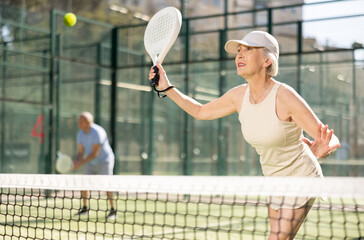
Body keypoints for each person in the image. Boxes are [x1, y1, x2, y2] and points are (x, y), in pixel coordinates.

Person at [148, 31, 341, 240]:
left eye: (248, 49)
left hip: (301, 177)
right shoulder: (238, 96)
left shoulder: (285, 96)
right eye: (238, 50)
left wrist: (323, 149)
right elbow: (200, 111)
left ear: (267, 60)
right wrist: (166, 87)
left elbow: (329, 138)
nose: (239, 55)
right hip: (273, 180)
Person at [73, 112, 117, 220]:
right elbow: (80, 152)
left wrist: (81, 163)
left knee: (107, 184)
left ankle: (113, 211)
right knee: (84, 183)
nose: (78, 123)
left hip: (105, 160)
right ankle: (85, 209)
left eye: (81, 121)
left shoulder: (98, 132)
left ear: (88, 122)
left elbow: (94, 153)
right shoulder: (80, 134)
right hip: (91, 162)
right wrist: (77, 160)